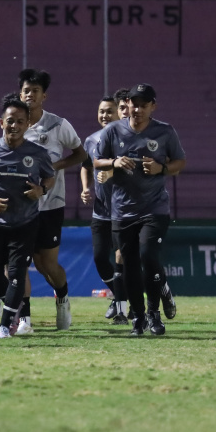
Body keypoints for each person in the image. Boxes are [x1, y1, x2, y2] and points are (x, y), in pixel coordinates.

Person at [94, 84, 186, 336]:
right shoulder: (114, 130)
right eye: (134, 103)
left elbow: (180, 162)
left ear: (152, 107)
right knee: (130, 265)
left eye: (143, 104)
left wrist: (162, 169)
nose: (137, 109)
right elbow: (96, 160)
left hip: (154, 207)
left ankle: (154, 312)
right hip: (122, 210)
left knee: (148, 255)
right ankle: (138, 318)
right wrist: (114, 161)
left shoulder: (164, 132)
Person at [0, 96, 55, 338]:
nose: (14, 125)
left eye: (20, 121)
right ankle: (14, 308)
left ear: (28, 124)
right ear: (1, 122)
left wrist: (42, 190)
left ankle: (5, 324)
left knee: (17, 271)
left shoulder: (37, 153)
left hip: (25, 223)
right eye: (10, 121)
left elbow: (49, 177)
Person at [18, 69, 87, 331]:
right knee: (20, 261)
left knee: (45, 263)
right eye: (26, 91)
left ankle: (63, 297)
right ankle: (24, 318)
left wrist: (55, 166)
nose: (30, 95)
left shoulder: (58, 125)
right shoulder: (13, 124)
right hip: (21, 207)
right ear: (20, 94)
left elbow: (80, 155)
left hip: (51, 205)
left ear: (43, 96)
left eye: (35, 91)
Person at [80, 96, 129, 324]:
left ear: (119, 113)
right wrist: (85, 188)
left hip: (123, 211)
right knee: (100, 259)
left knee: (121, 259)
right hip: (100, 211)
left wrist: (111, 172)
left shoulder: (127, 139)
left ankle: (123, 309)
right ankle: (121, 295)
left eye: (109, 111)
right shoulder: (91, 140)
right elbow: (85, 165)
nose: (104, 116)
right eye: (101, 111)